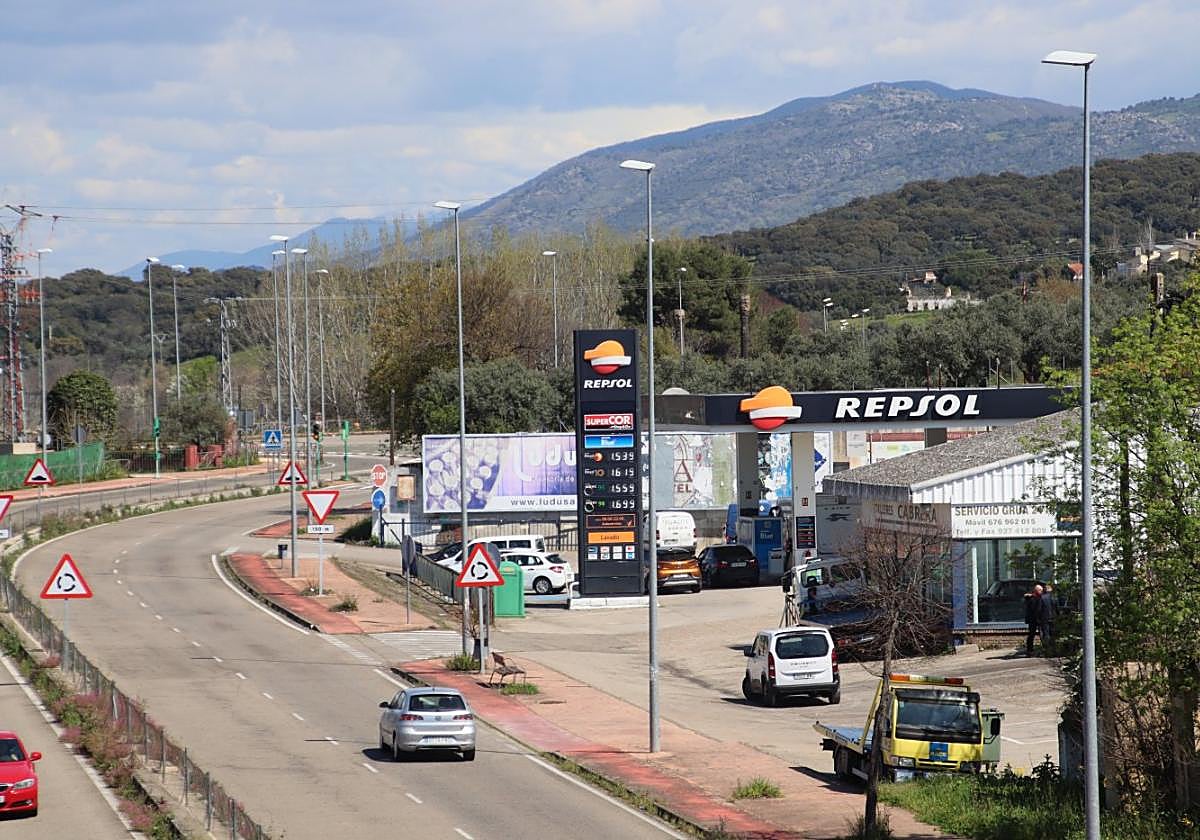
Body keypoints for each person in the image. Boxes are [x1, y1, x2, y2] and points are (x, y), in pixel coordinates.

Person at [1023, 583, 1044, 655]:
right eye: (1040, 590)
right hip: (1034, 619)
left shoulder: (1034, 597)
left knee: (1033, 634)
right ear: (1037, 590)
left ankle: (1030, 650)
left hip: (1034, 619)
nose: (1042, 592)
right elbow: (1035, 610)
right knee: (1032, 634)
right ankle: (1030, 650)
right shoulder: (1033, 599)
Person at [1040, 583, 1057, 651]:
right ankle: (1053, 648)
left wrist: (1039, 618)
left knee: (1046, 633)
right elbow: (1056, 608)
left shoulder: (1042, 597)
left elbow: (1039, 609)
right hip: (1053, 617)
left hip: (1044, 618)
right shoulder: (1054, 597)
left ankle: (1047, 649)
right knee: (1053, 632)